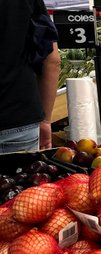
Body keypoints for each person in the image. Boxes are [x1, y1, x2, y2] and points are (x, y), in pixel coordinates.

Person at [0, 0, 60, 153]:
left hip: (18, 119)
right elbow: (52, 60)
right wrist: (45, 121)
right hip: (18, 118)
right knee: (21, 177)